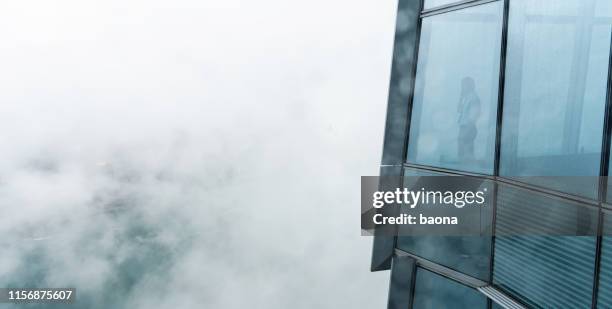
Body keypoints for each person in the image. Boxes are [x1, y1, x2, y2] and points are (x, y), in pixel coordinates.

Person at [457, 77, 481, 162]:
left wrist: (467, 130)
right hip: (464, 126)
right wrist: (461, 97)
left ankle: (466, 168)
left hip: (468, 127)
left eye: (464, 85)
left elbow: (474, 116)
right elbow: (459, 110)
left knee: (466, 152)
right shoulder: (466, 98)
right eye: (462, 85)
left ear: (470, 86)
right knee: (463, 151)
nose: (462, 87)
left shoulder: (473, 98)